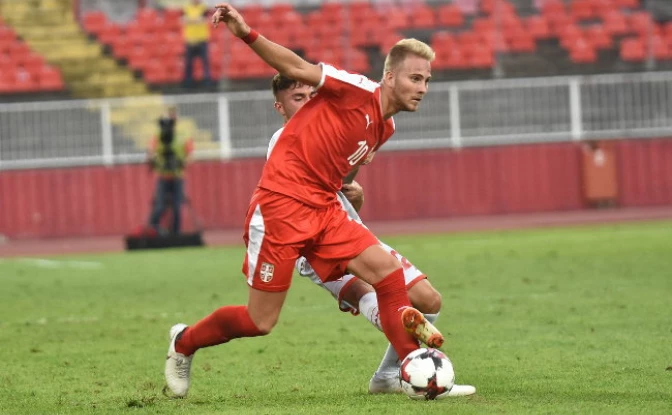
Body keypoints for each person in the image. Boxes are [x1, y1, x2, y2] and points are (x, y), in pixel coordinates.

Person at [165, 3, 444, 398]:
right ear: (389, 77)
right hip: (281, 210)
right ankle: (184, 342)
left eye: (427, 80)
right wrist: (245, 32)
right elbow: (296, 67)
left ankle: (410, 371)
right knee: (259, 321)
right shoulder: (356, 89)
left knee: (386, 271)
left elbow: (341, 174)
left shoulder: (386, 127)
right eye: (415, 78)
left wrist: (352, 190)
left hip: (325, 211)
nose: (422, 88)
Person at [269, 74, 475, 397]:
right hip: (314, 246)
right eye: (298, 98)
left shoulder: (332, 132)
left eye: (312, 95)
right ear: (280, 108)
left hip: (350, 233)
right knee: (371, 294)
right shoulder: (284, 141)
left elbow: (337, 188)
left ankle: (387, 376)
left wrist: (356, 187)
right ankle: (423, 374)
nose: (308, 103)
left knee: (429, 300)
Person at [147, 106, 193, 235]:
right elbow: (150, 152)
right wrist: (153, 159)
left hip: (178, 176)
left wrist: (182, 162)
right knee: (159, 207)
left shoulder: (183, 135)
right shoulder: (158, 135)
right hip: (163, 176)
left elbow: (190, 154)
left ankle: (175, 234)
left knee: (177, 208)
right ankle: (152, 231)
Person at [182, 0, 213, 88]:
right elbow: (182, 20)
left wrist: (191, 19)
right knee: (188, 62)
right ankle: (188, 81)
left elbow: (205, 19)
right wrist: (196, 19)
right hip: (190, 40)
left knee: (205, 61)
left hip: (202, 39)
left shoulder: (203, 8)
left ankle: (207, 81)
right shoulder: (186, 7)